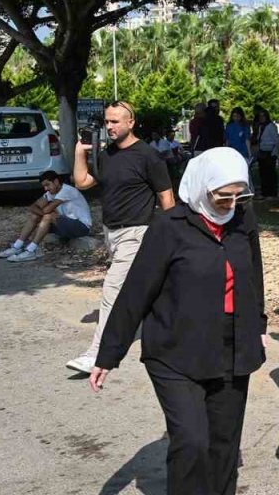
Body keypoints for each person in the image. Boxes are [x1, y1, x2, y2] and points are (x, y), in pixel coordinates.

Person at [89, 147, 267, 495]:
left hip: (231, 349)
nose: (230, 204)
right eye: (222, 196)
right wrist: (108, 355)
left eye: (238, 195)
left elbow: (253, 278)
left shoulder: (243, 219)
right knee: (192, 442)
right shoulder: (169, 227)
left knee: (224, 445)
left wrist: (257, 326)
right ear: (202, 187)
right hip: (176, 353)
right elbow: (135, 292)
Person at [66, 101, 176, 374]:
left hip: (136, 233)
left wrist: (172, 234)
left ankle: (97, 354)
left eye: (116, 121)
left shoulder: (148, 156)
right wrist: (80, 152)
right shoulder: (107, 155)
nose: (110, 126)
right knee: (149, 287)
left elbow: (167, 198)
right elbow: (82, 183)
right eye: (107, 121)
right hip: (111, 233)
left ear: (131, 122)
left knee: (112, 291)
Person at [0, 171, 93, 262]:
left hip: (81, 227)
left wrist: (44, 214)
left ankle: (31, 250)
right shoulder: (51, 193)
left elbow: (47, 210)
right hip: (66, 225)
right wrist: (42, 214)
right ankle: (17, 246)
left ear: (56, 181)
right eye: (44, 186)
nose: (46, 188)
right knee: (35, 216)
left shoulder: (66, 190)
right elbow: (33, 207)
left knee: (48, 216)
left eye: (48, 185)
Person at [254, 109, 279, 197]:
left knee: (270, 173)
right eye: (260, 116)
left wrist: (275, 153)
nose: (261, 118)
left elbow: (276, 140)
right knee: (263, 173)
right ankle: (265, 191)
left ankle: (272, 192)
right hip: (262, 151)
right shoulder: (260, 126)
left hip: (270, 152)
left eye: (263, 116)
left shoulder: (271, 126)